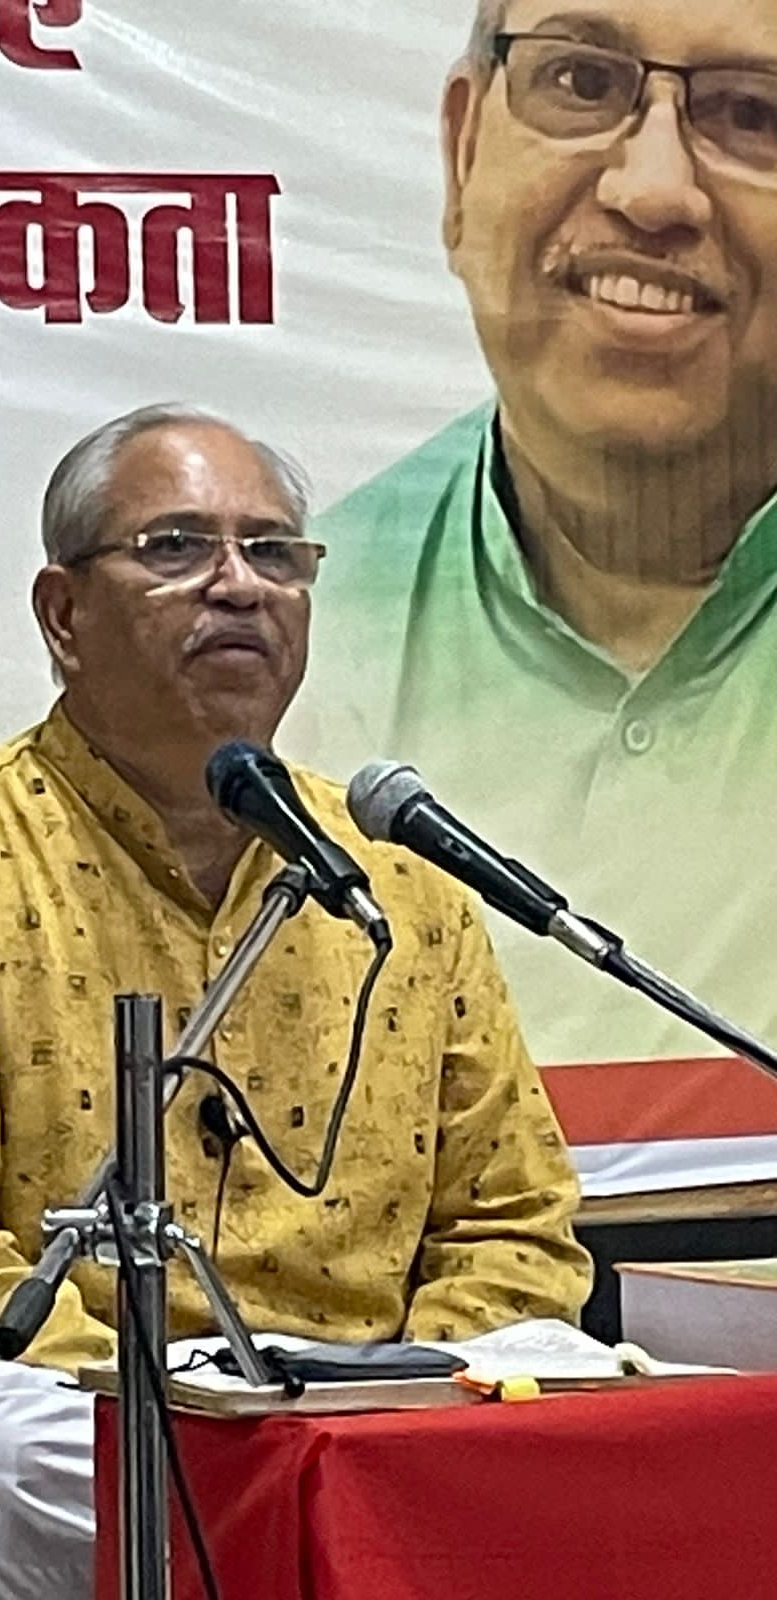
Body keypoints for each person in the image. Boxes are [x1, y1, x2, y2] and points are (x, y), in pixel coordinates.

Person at [0, 402, 591, 1600]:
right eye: (176, 547)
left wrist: (403, 1398)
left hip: (375, 1417)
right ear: (64, 615)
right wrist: (212, 1423)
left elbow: (515, 1221)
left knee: (600, 1392)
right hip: (83, 1421)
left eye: (274, 552)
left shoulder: (398, 877)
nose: (240, 585)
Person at [293, 0, 777, 1126]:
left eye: (753, 114)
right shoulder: (304, 631)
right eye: (581, 83)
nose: (654, 190)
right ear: (463, 151)